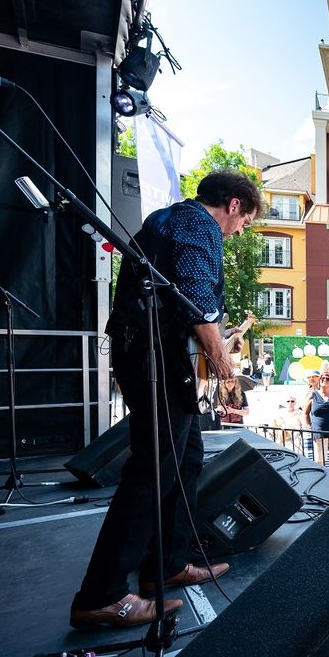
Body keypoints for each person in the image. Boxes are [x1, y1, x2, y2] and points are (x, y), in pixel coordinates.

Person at [71, 169, 259, 629]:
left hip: (153, 350)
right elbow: (197, 300)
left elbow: (177, 297)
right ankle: (102, 594)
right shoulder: (198, 223)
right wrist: (222, 363)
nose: (240, 232)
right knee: (153, 468)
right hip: (153, 353)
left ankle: (167, 564)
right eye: (245, 222)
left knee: (187, 456)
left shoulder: (168, 220)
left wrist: (213, 345)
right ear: (233, 204)